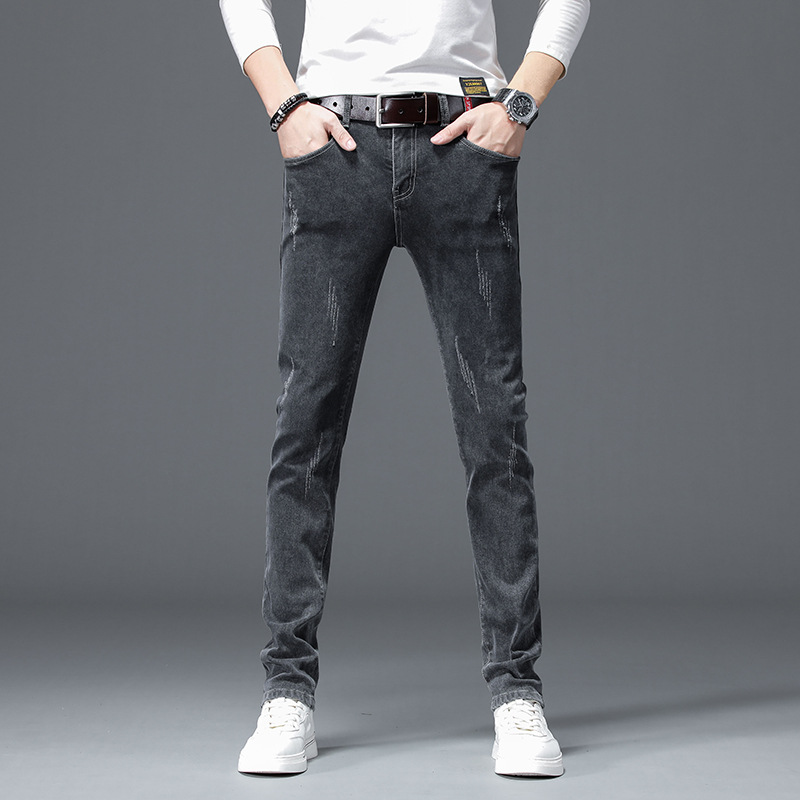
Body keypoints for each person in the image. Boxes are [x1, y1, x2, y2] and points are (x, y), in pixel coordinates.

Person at [219, 0, 590, 778]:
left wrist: (521, 101)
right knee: (305, 426)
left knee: (495, 430)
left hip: (463, 146)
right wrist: (283, 104)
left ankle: (516, 693)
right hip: (335, 149)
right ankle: (287, 691)